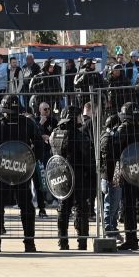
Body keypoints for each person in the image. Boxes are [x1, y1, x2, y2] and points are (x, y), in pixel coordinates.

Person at [0, 96, 41, 252]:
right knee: (4, 207)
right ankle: (25, 243)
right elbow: (39, 144)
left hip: (11, 171)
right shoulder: (25, 123)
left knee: (7, 207)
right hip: (13, 171)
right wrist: (31, 162)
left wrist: (31, 161)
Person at [103, 102, 139, 250]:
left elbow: (115, 152)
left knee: (129, 207)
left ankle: (131, 239)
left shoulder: (123, 129)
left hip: (129, 173)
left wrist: (115, 177)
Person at [49, 104, 93, 250]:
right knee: (81, 208)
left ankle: (62, 242)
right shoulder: (78, 135)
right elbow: (86, 156)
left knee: (63, 208)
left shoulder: (55, 134)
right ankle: (82, 242)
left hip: (60, 174)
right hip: (78, 174)